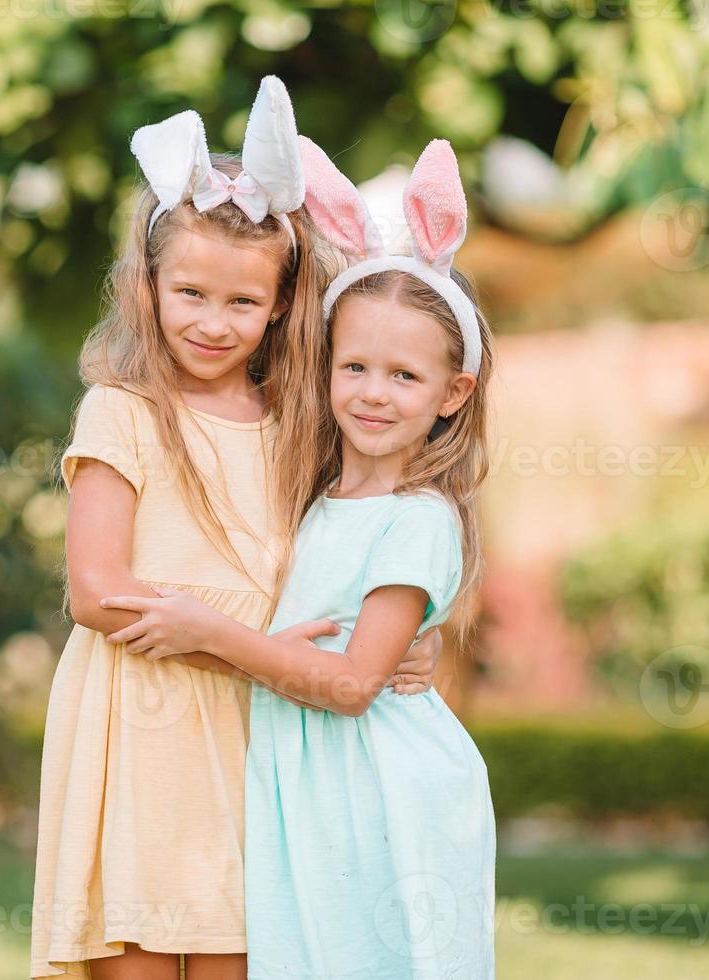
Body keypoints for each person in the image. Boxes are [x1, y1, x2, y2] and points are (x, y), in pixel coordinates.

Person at [30, 78, 442, 980]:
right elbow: (98, 591)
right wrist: (254, 650)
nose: (213, 325)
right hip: (141, 729)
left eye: (243, 305)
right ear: (148, 284)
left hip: (263, 738)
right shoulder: (124, 410)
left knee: (249, 949)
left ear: (282, 305)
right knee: (135, 948)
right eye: (191, 294)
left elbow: (354, 560)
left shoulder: (300, 427)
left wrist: (402, 641)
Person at [101, 136, 497, 979]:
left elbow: (354, 683)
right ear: (323, 365)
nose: (372, 392)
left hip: (377, 788)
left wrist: (213, 631)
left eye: (404, 376)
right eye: (353, 365)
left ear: (452, 393)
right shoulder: (314, 490)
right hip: (304, 781)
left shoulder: (421, 518)